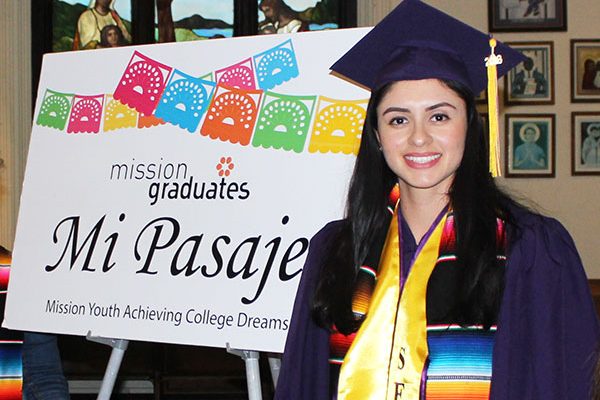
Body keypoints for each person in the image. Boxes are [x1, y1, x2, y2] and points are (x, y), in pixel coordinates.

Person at [274, 1, 599, 399]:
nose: (418, 138)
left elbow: (560, 383)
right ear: (377, 136)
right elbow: (303, 385)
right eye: (398, 119)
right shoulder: (336, 251)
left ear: (470, 125)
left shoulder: (531, 250)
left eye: (439, 116)